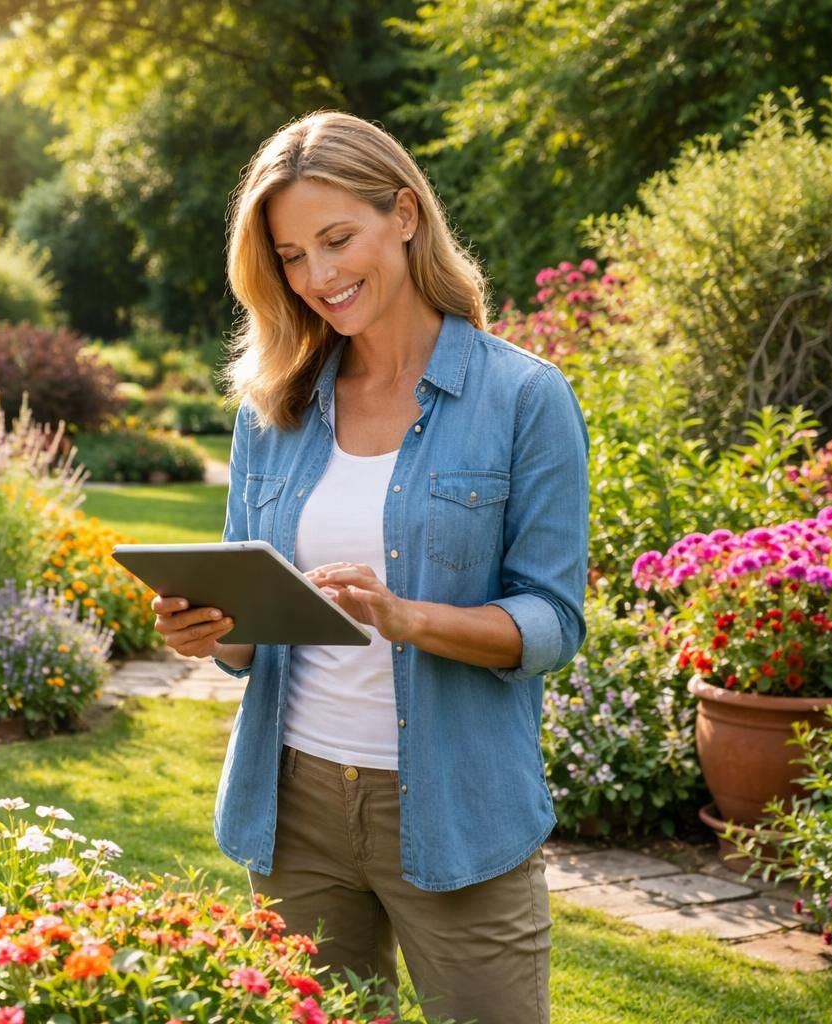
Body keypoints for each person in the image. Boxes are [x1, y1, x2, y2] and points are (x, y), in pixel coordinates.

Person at [152, 111, 589, 1023]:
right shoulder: (274, 408)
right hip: (294, 808)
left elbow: (553, 623)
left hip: (458, 810)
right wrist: (210, 631)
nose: (319, 276)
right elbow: (247, 635)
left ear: (405, 214)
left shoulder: (523, 397)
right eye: (291, 256)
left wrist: (407, 618)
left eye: (337, 239)